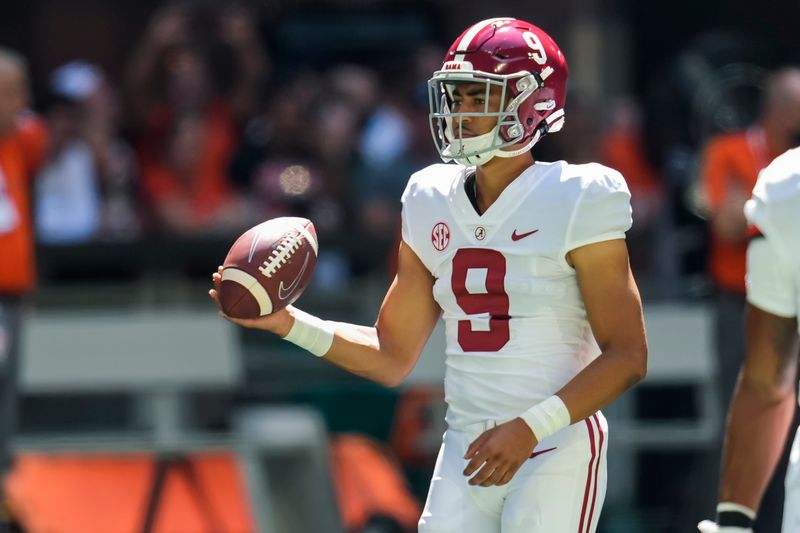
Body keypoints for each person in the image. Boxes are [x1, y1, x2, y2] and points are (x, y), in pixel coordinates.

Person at [210, 18, 647, 532]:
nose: (458, 111)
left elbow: (627, 355)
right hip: (466, 445)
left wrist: (531, 428)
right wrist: (288, 324)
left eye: (476, 96)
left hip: (552, 442)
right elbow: (391, 355)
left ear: (530, 102)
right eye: (454, 95)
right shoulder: (428, 197)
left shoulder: (578, 195)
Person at [697, 146, 800, 533]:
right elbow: (767, 383)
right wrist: (734, 522)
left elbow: (768, 384)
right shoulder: (788, 188)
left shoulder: (788, 187)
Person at [698, 67, 800, 411]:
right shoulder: (728, 150)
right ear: (783, 112)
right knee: (743, 412)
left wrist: (754, 206)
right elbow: (727, 226)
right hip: (743, 304)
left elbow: (742, 216)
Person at [0, 48, 48, 525]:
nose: (21, 103)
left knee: (7, 395)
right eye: (11, 93)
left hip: (11, 295)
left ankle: (5, 492)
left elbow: (40, 138)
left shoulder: (19, 140)